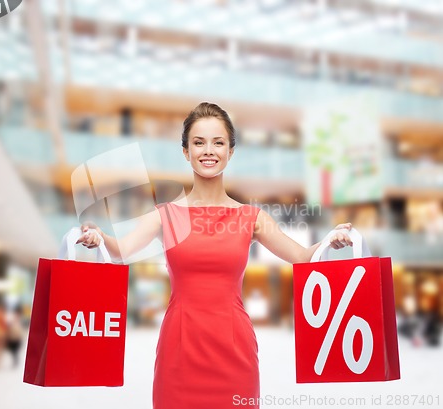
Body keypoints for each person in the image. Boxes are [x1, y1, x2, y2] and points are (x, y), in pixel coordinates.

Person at [77, 102, 353, 409]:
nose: (209, 151)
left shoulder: (252, 217)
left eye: (218, 142)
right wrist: (101, 237)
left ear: (231, 152)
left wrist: (331, 239)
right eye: (199, 142)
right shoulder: (164, 216)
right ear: (186, 152)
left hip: (234, 352)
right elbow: (122, 251)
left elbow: (301, 257)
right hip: (179, 352)